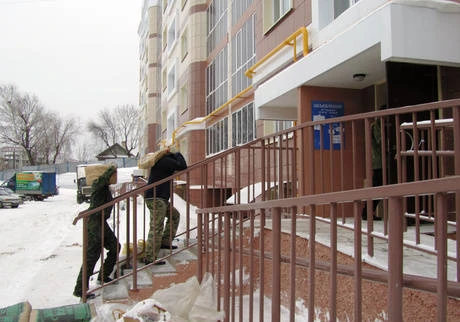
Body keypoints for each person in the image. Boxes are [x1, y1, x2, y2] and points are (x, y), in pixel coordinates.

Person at [73, 165, 120, 299]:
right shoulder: (98, 183)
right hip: (95, 223)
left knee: (115, 246)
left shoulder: (104, 187)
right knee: (92, 256)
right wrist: (111, 169)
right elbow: (104, 179)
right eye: (112, 175)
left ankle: (103, 275)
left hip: (101, 222)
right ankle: (80, 289)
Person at [144, 147, 187, 265]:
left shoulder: (163, 160)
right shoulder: (165, 160)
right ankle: (150, 257)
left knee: (174, 215)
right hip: (156, 198)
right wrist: (178, 153)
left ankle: (165, 241)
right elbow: (183, 166)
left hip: (157, 197)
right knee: (156, 226)